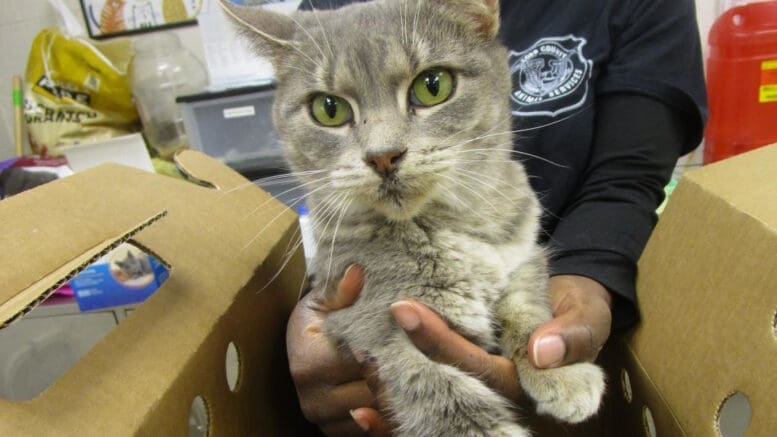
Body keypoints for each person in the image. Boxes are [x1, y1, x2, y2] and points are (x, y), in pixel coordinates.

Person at [287, 0, 708, 434]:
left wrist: (576, 287)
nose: (382, 148)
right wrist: (319, 316)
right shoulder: (324, 15)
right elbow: (332, 270)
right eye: (331, 109)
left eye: (430, 86)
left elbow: (625, 178)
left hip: (590, 325)